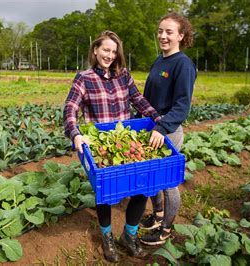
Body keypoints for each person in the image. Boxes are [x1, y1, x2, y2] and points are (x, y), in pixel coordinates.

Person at [63, 30, 164, 263]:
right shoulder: (84, 77)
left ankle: (129, 236)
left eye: (113, 51)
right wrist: (75, 133)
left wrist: (159, 119)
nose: (109, 55)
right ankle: (107, 238)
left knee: (142, 187)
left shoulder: (124, 76)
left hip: (125, 141)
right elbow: (70, 108)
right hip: (101, 146)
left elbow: (138, 100)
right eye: (105, 50)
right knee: (106, 194)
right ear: (95, 50)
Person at [137, 12, 196, 246]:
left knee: (167, 181)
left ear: (181, 36)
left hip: (167, 131)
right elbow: (148, 98)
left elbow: (182, 105)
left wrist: (161, 128)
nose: (163, 36)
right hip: (152, 128)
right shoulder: (159, 60)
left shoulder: (183, 64)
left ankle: (166, 229)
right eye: (160, 31)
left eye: (169, 32)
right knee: (152, 178)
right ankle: (158, 215)